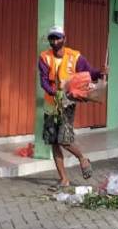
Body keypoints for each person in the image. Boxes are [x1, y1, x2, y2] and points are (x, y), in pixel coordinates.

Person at [38, 26, 107, 190]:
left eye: (58, 38)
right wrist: (54, 93)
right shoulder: (44, 58)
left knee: (64, 140)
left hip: (67, 104)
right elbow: (44, 81)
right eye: (52, 39)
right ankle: (63, 180)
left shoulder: (75, 57)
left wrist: (101, 72)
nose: (55, 42)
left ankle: (82, 158)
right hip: (51, 103)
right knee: (53, 141)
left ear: (64, 39)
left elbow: (90, 73)